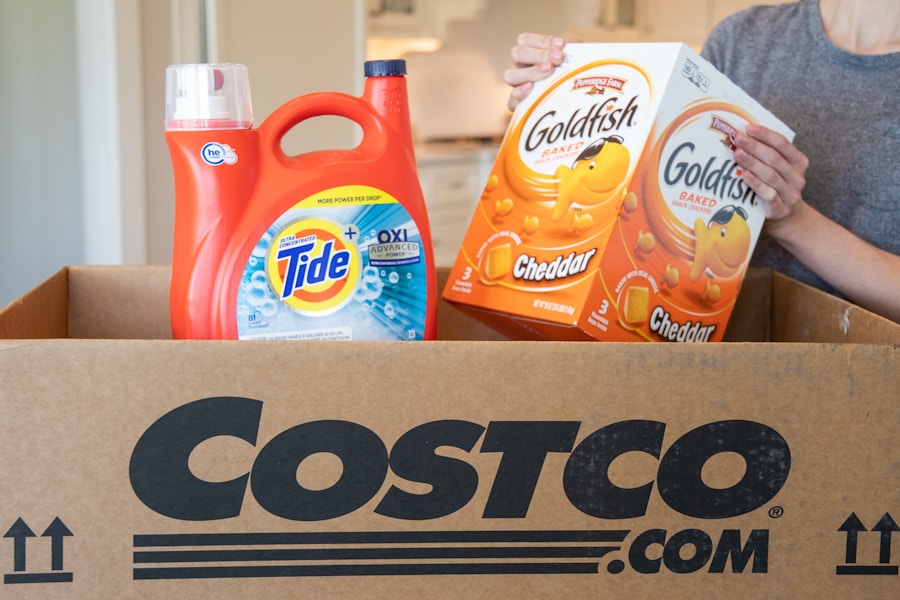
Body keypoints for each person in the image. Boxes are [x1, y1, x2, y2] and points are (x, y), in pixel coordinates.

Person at [502, 0, 900, 324]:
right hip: (714, 360)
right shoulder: (742, 39)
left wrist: (791, 220)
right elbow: (656, 205)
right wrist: (575, 102)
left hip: (866, 386)